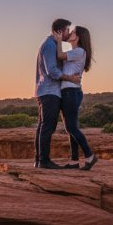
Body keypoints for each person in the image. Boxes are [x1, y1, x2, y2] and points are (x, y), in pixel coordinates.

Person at [34, 19, 81, 169]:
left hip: (47, 90)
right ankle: (44, 161)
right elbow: (52, 71)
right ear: (60, 31)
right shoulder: (49, 45)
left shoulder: (52, 44)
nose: (69, 33)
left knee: (43, 126)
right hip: (49, 91)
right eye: (67, 30)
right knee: (47, 126)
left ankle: (39, 160)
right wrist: (70, 78)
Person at [55, 26, 98, 170]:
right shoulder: (74, 52)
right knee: (70, 128)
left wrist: (59, 40)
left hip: (71, 92)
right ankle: (74, 161)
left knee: (71, 127)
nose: (70, 33)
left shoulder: (79, 51)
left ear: (77, 37)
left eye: (72, 32)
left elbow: (60, 56)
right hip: (68, 91)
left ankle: (90, 156)